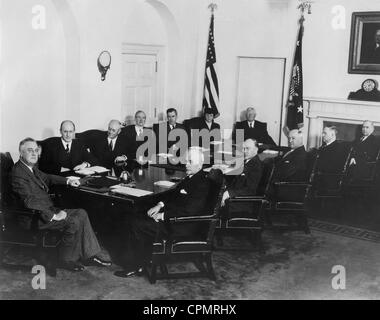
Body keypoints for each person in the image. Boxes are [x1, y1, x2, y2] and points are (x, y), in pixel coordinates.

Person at [11, 138, 111, 271]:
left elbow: (48, 177)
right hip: (33, 217)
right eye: (30, 151)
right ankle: (65, 259)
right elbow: (28, 200)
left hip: (44, 210)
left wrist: (68, 181)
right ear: (21, 152)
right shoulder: (18, 173)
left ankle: (90, 254)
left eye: (36, 150)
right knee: (73, 221)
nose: (34, 154)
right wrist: (53, 216)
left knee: (81, 212)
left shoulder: (30, 168)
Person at [114, 148, 212, 277]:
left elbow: (190, 211)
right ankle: (144, 258)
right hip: (175, 218)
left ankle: (136, 266)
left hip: (182, 226)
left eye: (190, 161)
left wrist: (163, 215)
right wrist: (160, 205)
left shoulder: (201, 183)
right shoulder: (192, 177)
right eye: (186, 160)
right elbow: (175, 194)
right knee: (138, 214)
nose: (186, 164)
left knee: (136, 223)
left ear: (200, 164)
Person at [221, 139, 263, 206]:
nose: (244, 151)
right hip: (235, 197)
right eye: (243, 148)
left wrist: (229, 193)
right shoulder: (247, 161)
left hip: (242, 203)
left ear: (256, 150)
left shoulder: (256, 166)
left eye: (247, 148)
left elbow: (250, 190)